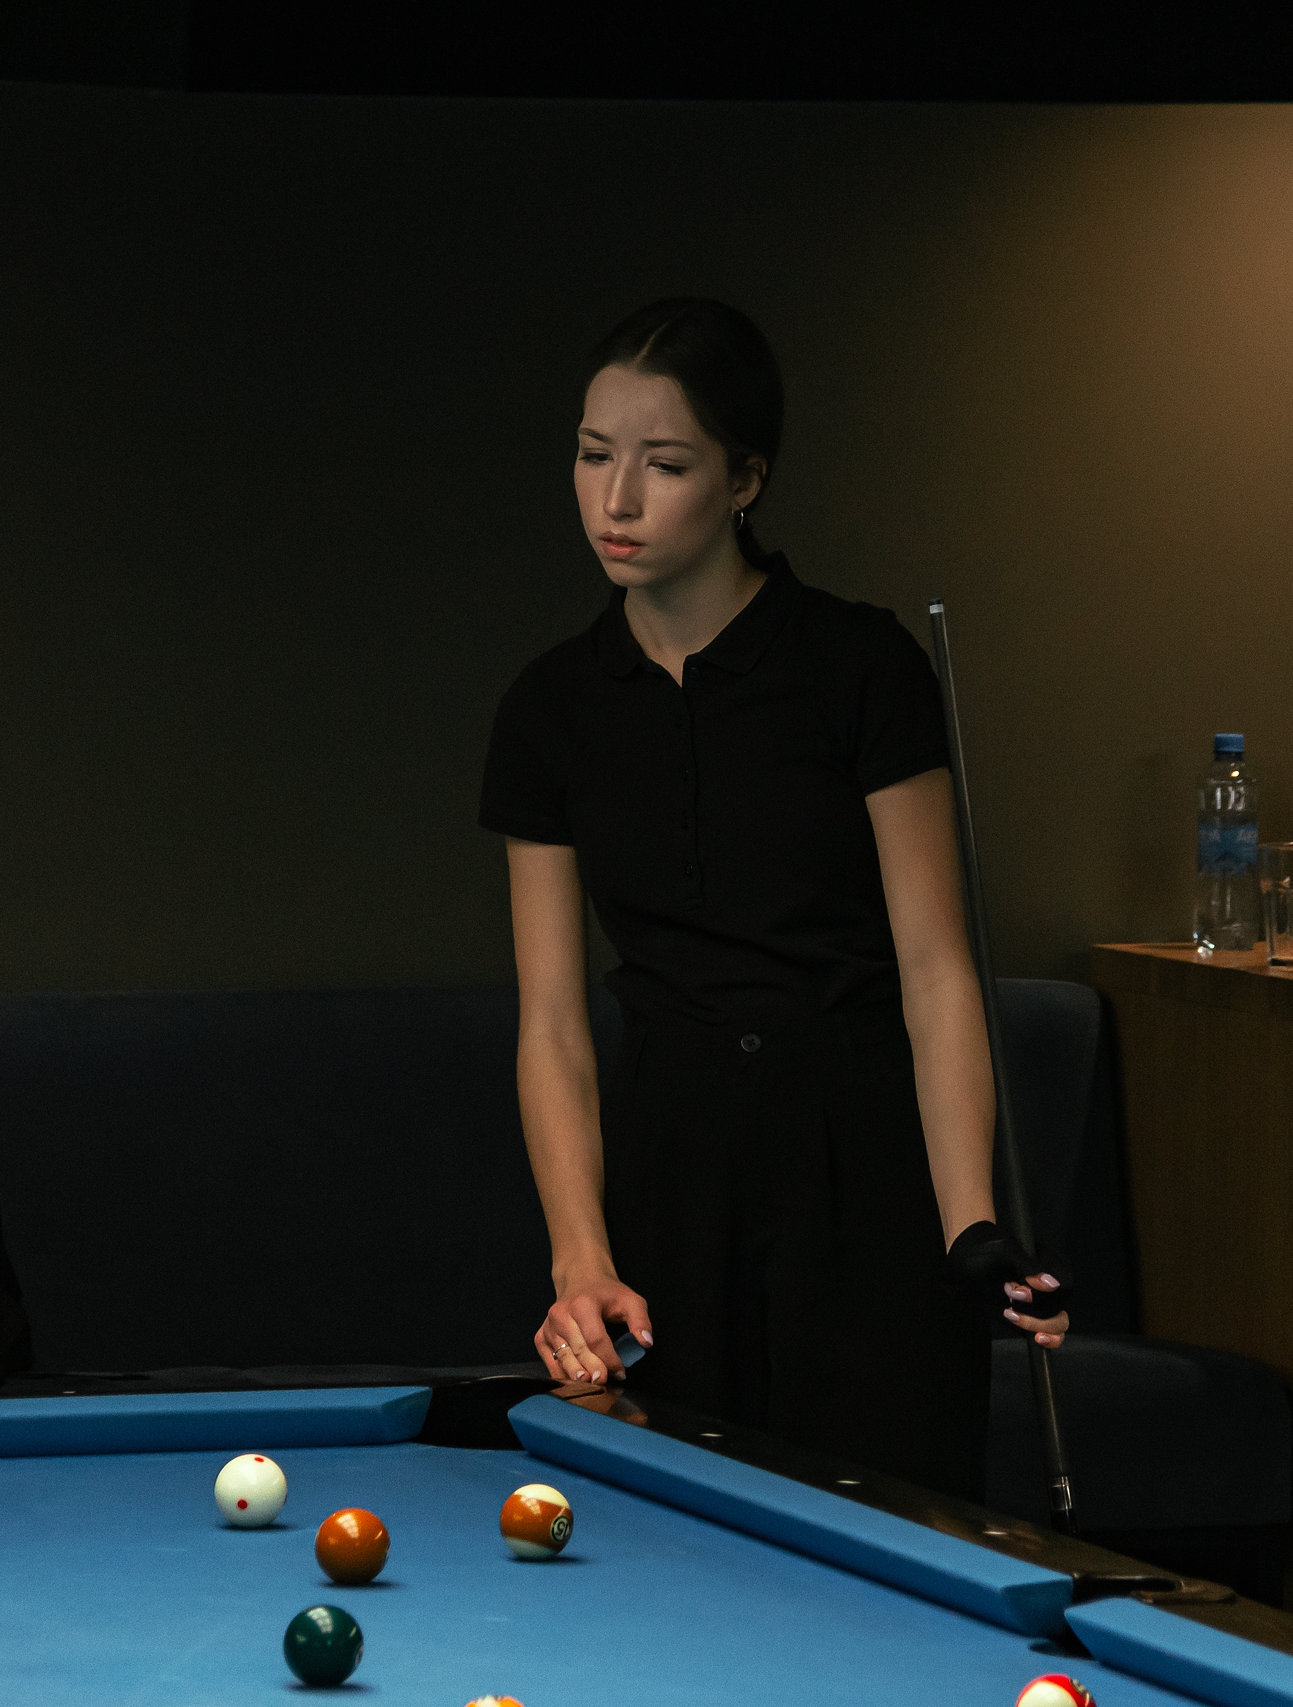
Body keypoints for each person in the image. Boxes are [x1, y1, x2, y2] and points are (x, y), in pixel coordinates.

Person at [477, 297, 1067, 1501]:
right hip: (668, 1174)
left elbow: (934, 970)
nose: (615, 500)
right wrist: (579, 1260)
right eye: (592, 456)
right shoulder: (549, 709)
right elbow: (551, 1025)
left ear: (744, 479)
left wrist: (967, 1224)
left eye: (664, 464)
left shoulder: (860, 666)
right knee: (671, 1546)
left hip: (859, 1164)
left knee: (897, 1527)